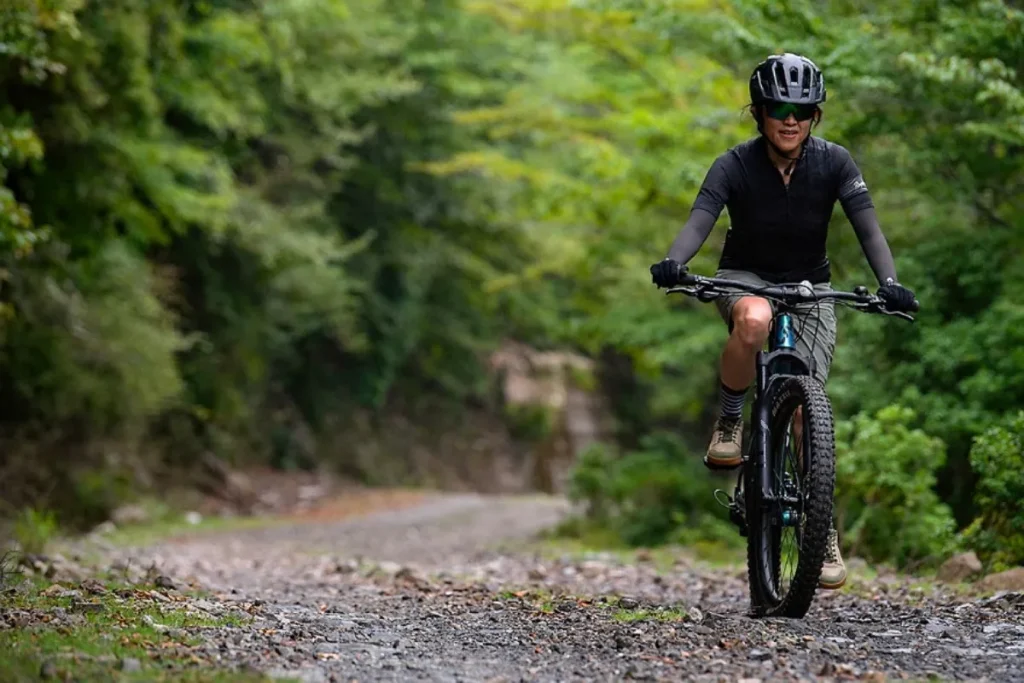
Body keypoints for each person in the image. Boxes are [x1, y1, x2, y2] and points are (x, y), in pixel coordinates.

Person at [648, 53, 917, 589]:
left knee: (805, 409)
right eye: (778, 108)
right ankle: (729, 421)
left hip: (810, 286)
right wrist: (676, 261)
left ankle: (821, 527)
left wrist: (889, 283)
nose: (790, 119)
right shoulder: (734, 164)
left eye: (802, 109)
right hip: (744, 278)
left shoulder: (836, 163)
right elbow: (701, 217)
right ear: (759, 113)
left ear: (815, 115)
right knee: (753, 317)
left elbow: (868, 229)